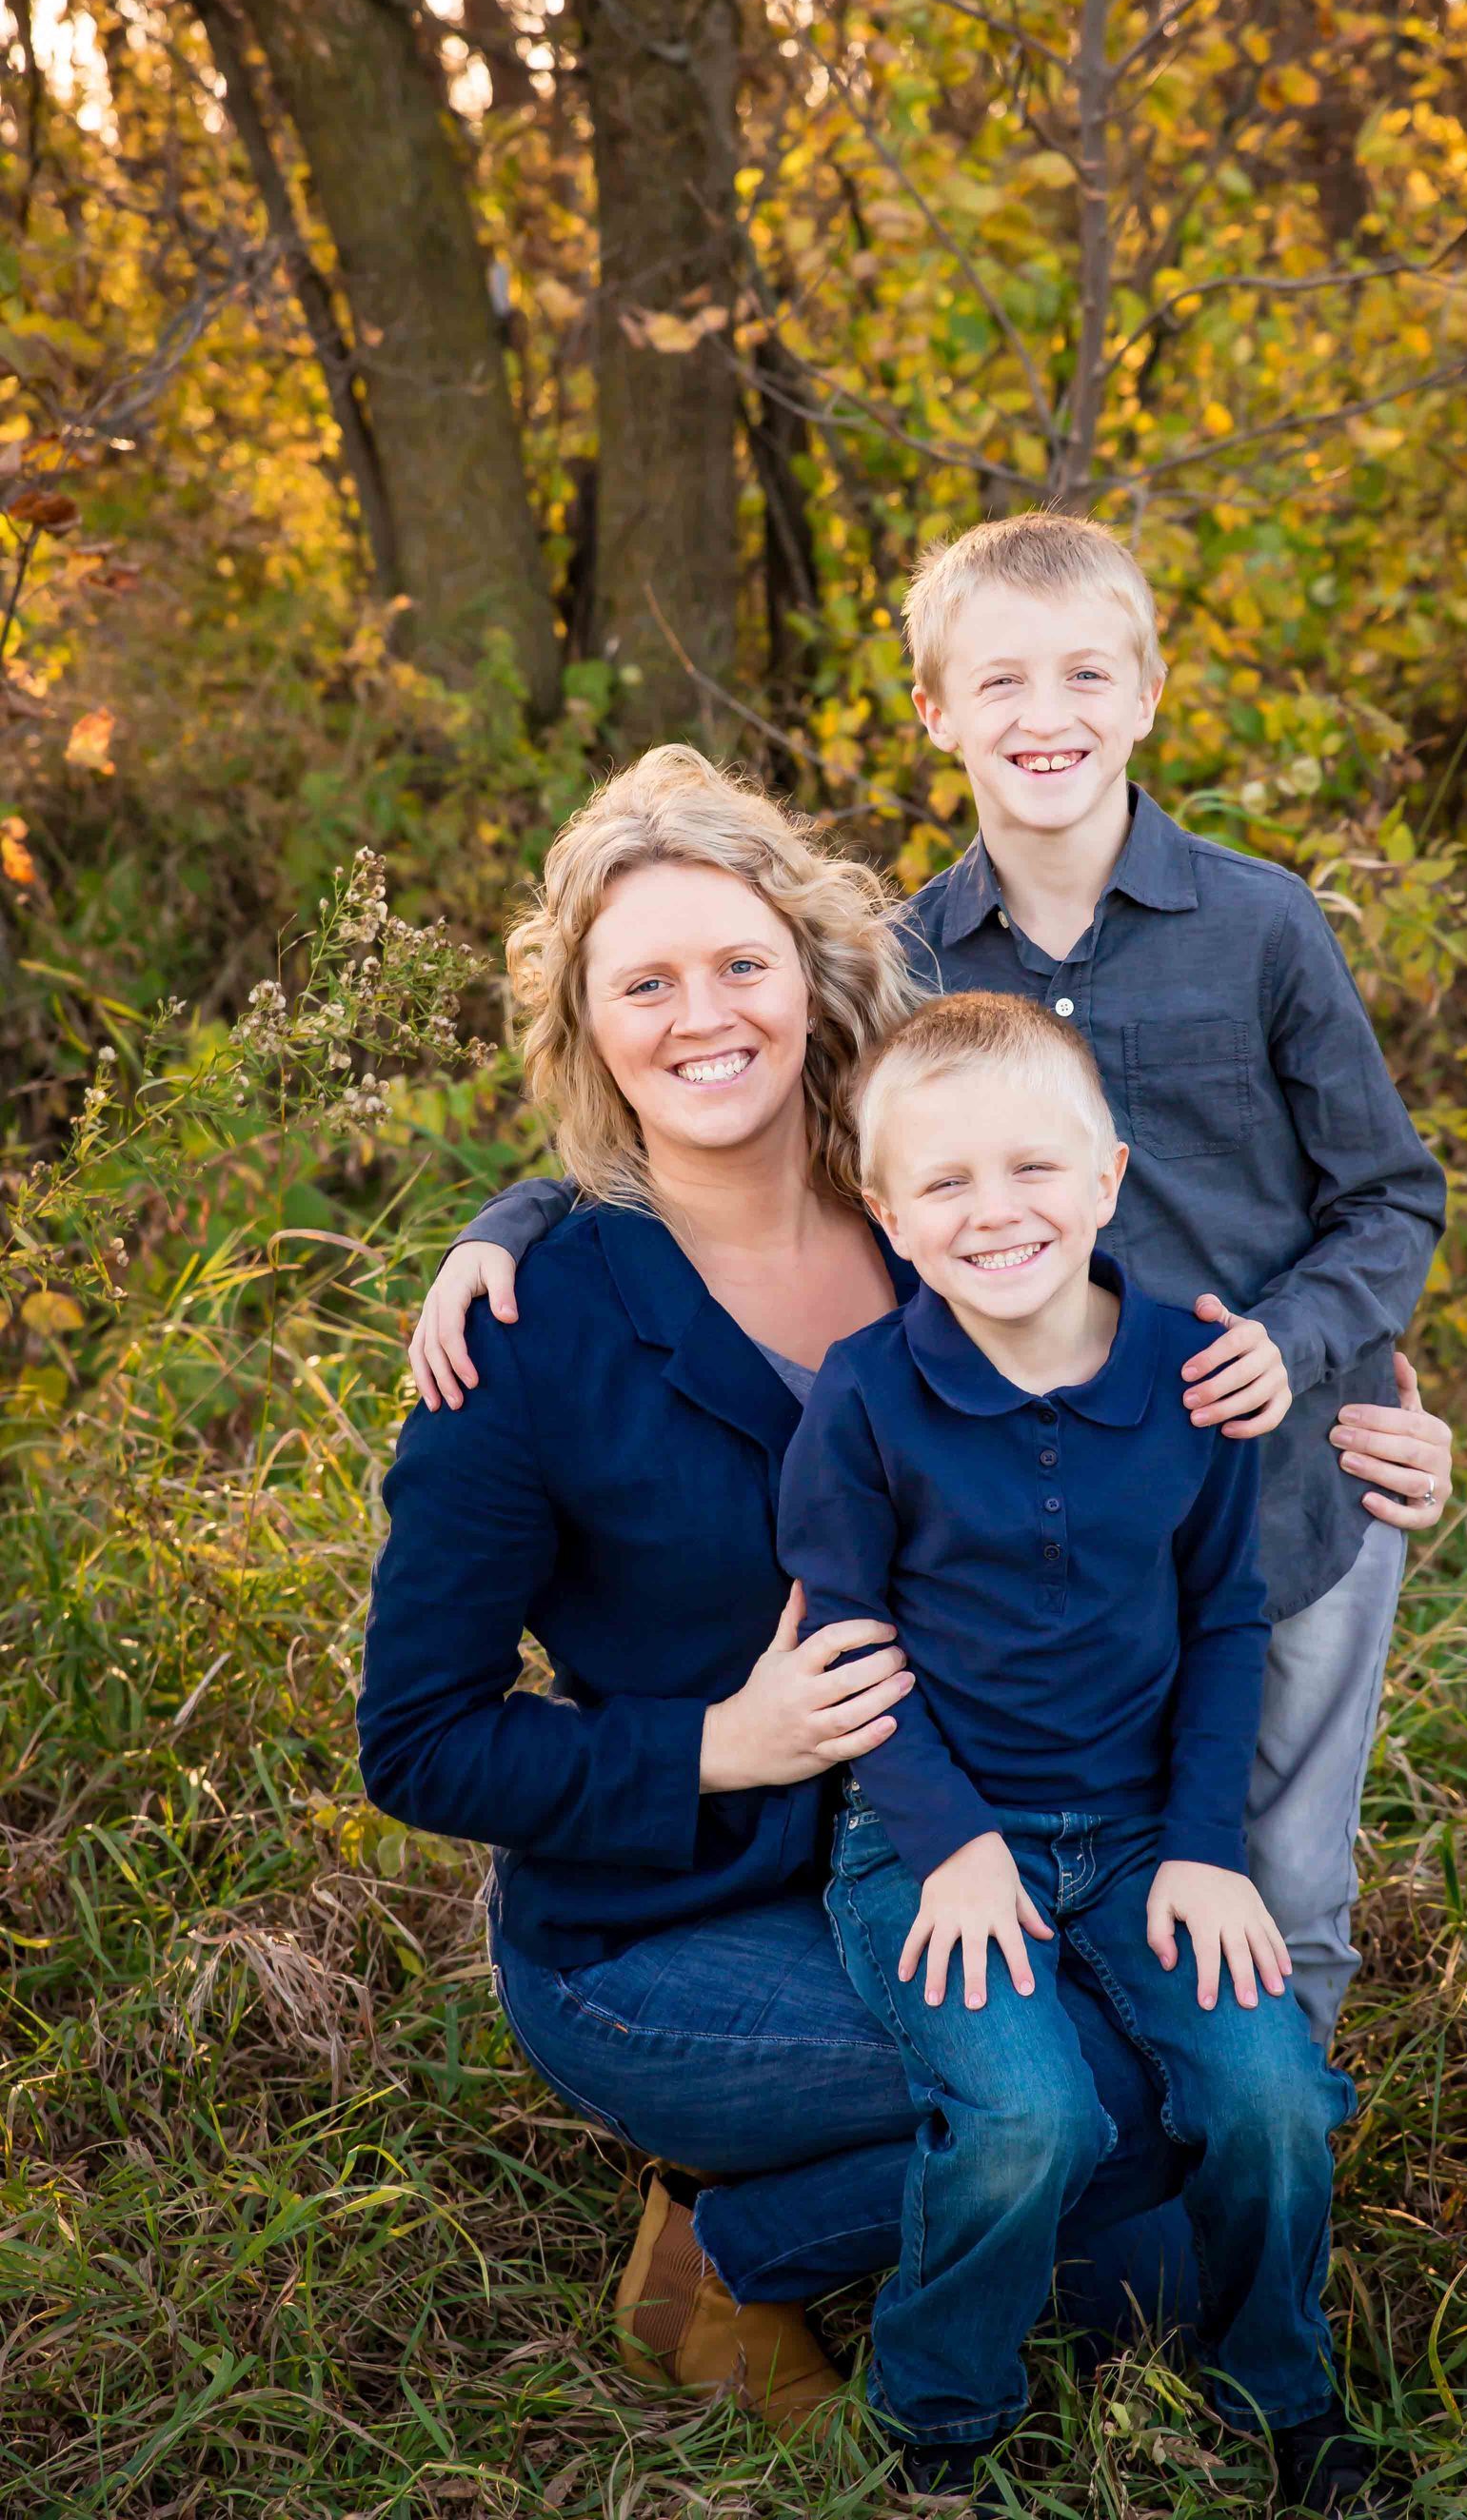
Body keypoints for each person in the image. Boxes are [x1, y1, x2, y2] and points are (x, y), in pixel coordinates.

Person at [358, 747, 1295, 2446]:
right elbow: (415, 1742)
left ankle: (833, 2208)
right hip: (679, 1924)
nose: (701, 1016)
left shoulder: (940, 1216)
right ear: (586, 1029)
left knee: (1160, 2260)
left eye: (740, 965)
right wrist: (720, 1741)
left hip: (983, 1848)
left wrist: (1352, 1396)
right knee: (1096, 2102)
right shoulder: (528, 1327)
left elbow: (1169, 1384)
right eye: (642, 983)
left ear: (814, 976)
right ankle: (726, 2254)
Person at [419, 511, 1450, 2054]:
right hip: (1043, 1546)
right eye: (1003, 682)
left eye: (1088, 674)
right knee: (1094, 1880)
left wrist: (1315, 1351)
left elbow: (1390, 1192)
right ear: (936, 713)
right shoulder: (909, 963)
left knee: (1276, 1884)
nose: (1049, 717)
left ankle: (1262, 2204)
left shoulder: (1261, 924)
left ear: (1150, 692)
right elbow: (713, 1103)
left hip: (1284, 1493)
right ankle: (1113, 2174)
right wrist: (509, 1220)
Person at [780, 991, 1373, 2515]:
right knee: (1036, 2114)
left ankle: (1280, 2391)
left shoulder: (1186, 1374)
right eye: (947, 1184)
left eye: (1033, 1168)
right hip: (927, 1844)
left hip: (1141, 1839)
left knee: (1273, 2098)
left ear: (1107, 1177)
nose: (997, 1211)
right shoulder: (866, 1396)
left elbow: (1224, 1628)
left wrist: (1202, 1848)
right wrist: (952, 1844)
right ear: (891, 1217)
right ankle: (940, 2422)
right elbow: (843, 1647)